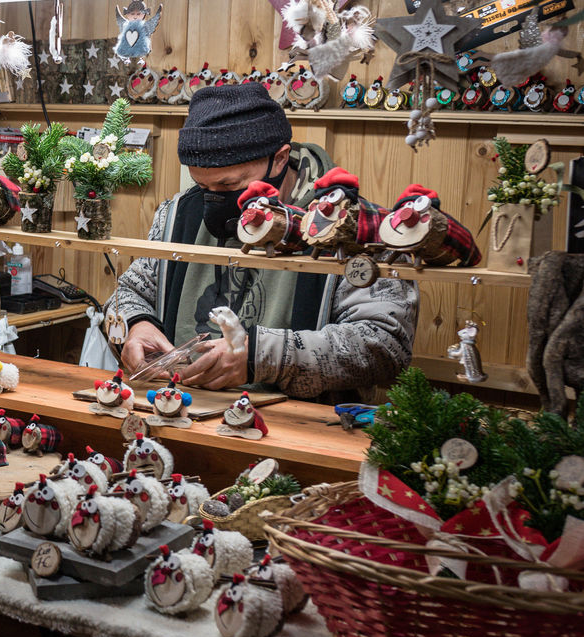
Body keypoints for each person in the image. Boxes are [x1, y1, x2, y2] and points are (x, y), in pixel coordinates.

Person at [110, 82, 417, 400]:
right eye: (202, 186)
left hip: (297, 424)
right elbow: (129, 292)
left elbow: (386, 345)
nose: (213, 200)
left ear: (280, 159)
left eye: (229, 184)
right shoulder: (176, 215)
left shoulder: (356, 228)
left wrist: (263, 357)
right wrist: (136, 325)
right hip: (178, 410)